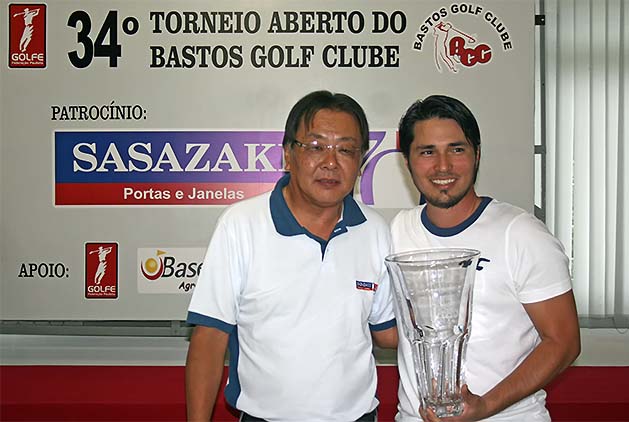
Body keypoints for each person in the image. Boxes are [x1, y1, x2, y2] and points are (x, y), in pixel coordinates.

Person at [185, 90, 398, 422]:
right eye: (315, 147)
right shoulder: (242, 224)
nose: (330, 162)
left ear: (361, 163)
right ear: (288, 154)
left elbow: (387, 331)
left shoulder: (375, 230)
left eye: (346, 149)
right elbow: (209, 338)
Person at [390, 95, 580, 421]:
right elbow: (392, 329)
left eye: (457, 149)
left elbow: (563, 342)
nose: (443, 166)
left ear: (477, 155)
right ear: (407, 161)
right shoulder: (397, 231)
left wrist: (485, 406)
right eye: (427, 152)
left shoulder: (521, 234)